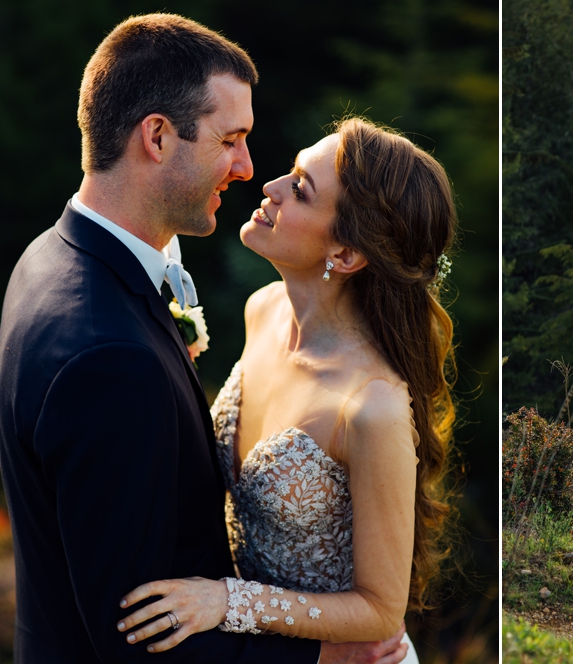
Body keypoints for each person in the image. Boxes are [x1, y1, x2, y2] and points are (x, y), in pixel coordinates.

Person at [0, 14, 407, 663]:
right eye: (230, 139)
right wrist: (326, 657)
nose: (248, 168)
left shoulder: (47, 260)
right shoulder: (113, 357)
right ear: (157, 136)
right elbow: (138, 639)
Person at [113, 116, 455, 662]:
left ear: (344, 255)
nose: (268, 188)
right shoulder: (263, 310)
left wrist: (229, 601)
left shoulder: (372, 407)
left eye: (298, 189)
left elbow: (380, 611)